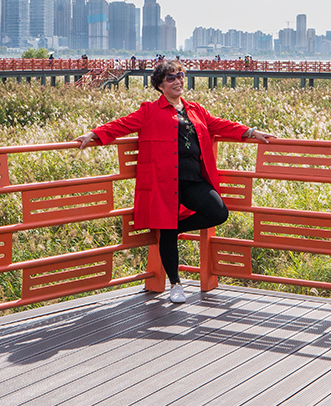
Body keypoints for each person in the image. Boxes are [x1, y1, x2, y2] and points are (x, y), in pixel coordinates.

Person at [74, 60, 276, 303]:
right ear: (160, 85)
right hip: (162, 181)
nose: (178, 80)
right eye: (171, 78)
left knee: (218, 212)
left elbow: (220, 124)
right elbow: (122, 125)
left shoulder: (196, 110)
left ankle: (175, 227)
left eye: (180, 75)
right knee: (167, 231)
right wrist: (94, 134)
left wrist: (251, 132)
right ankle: (175, 284)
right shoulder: (149, 110)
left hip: (192, 179)